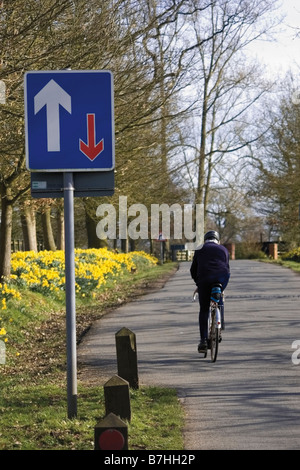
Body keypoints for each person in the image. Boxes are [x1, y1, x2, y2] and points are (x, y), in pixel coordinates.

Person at [190, 230, 230, 353]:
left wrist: (198, 284)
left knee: (204, 309)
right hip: (222, 277)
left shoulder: (199, 249)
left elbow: (193, 270)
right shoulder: (223, 249)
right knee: (219, 295)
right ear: (218, 240)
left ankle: (203, 340)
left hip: (205, 279)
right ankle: (220, 325)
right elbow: (227, 267)